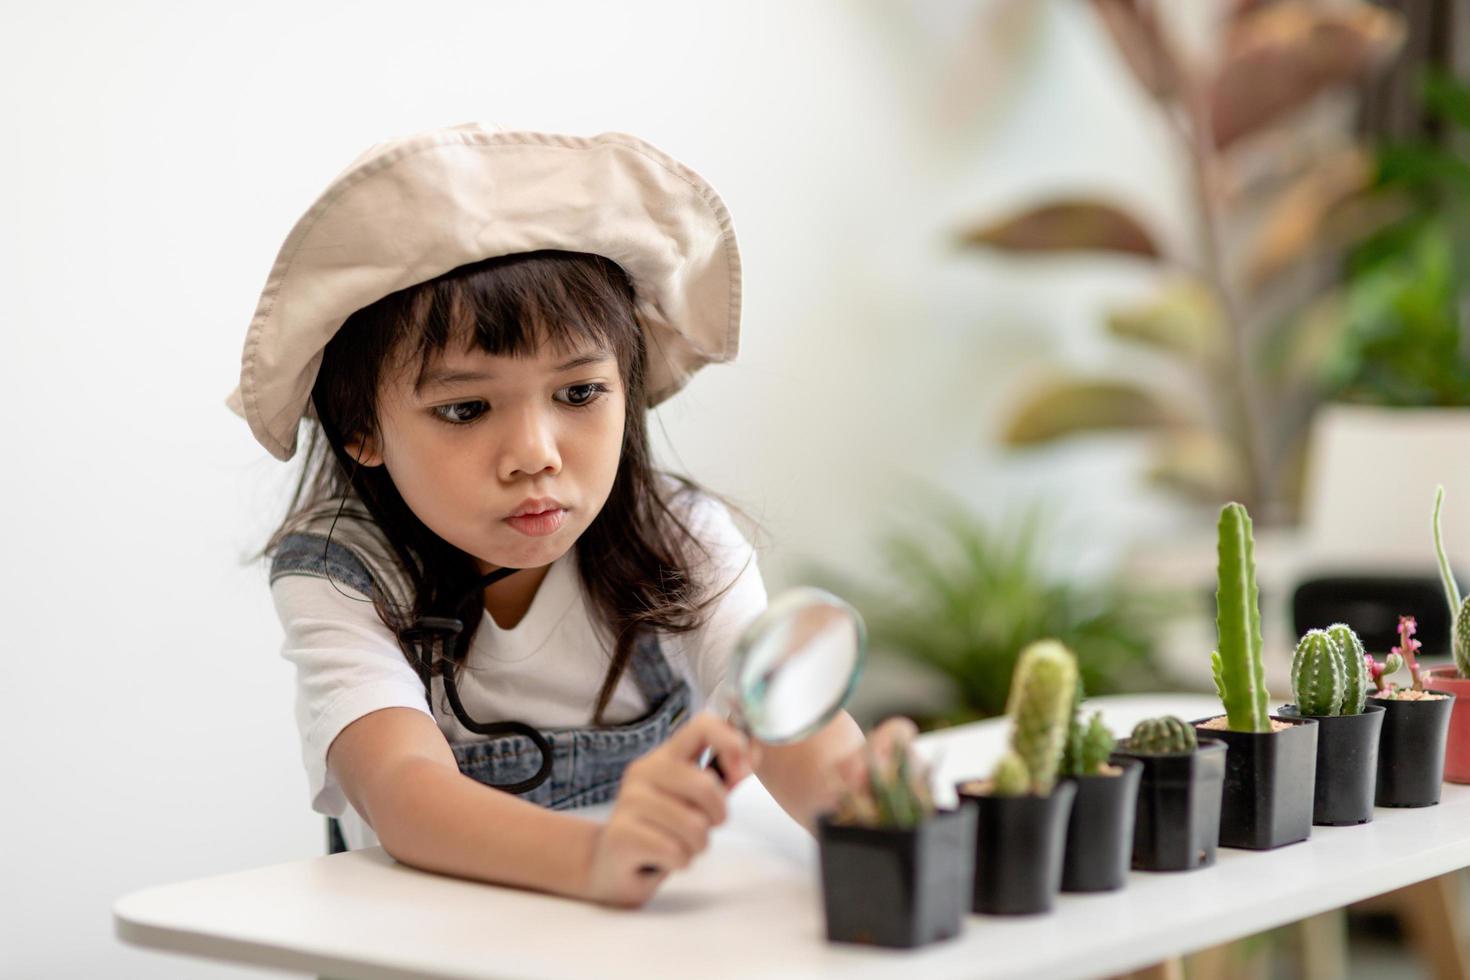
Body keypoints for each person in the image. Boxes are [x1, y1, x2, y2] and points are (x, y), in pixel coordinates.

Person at [228, 123, 918, 910]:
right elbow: (403, 790)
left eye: (580, 393)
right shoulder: (343, 573)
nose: (535, 454)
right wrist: (597, 856)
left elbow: (787, 721)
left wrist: (869, 807)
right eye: (465, 407)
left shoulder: (681, 540)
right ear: (361, 431)